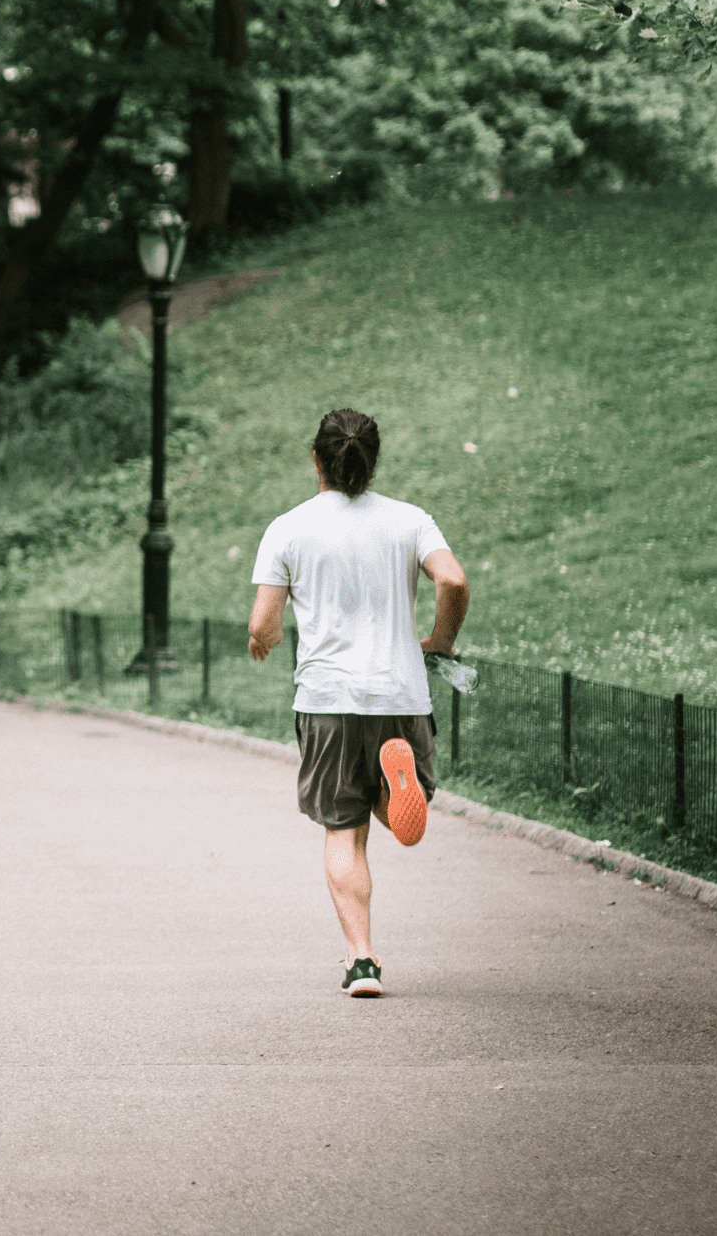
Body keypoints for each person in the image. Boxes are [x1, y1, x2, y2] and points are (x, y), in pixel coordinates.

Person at [247, 409, 469, 998]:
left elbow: (264, 621)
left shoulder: (288, 528)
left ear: (316, 460)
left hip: (328, 700)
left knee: (341, 829)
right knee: (387, 810)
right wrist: (442, 640)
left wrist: (260, 641)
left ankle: (362, 961)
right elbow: (452, 581)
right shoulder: (410, 521)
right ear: (372, 461)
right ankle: (397, 784)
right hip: (400, 694)